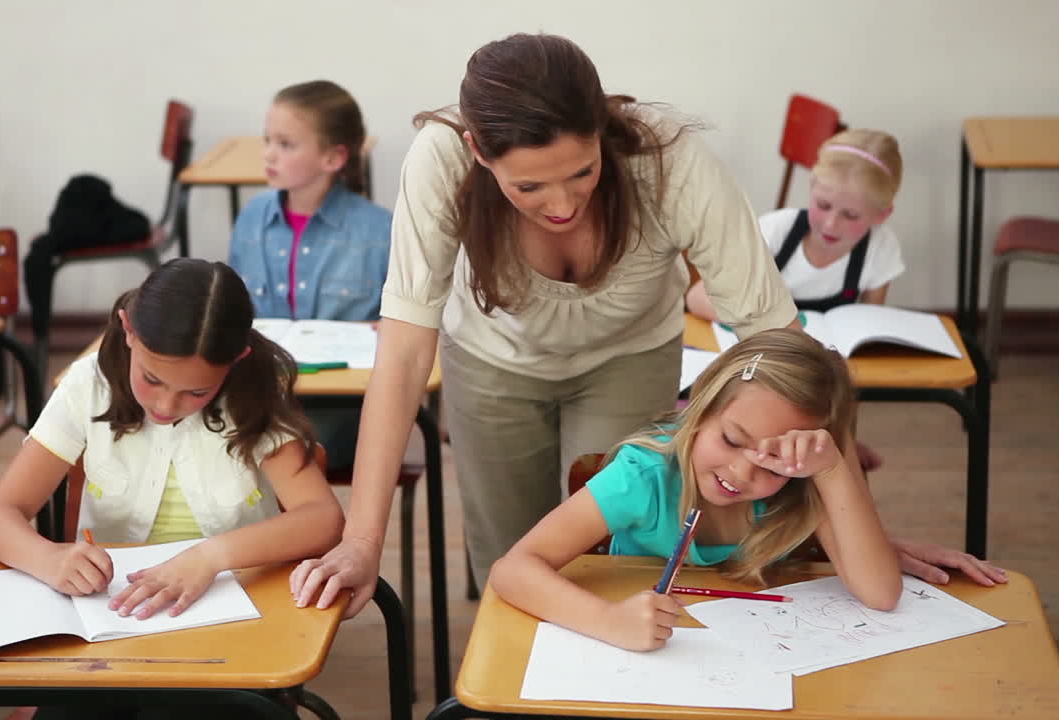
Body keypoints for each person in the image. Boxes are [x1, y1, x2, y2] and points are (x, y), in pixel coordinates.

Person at [291, 33, 806, 616]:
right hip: (492, 362)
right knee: (508, 559)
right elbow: (405, 353)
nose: (561, 205)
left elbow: (779, 344)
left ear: (602, 133)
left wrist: (852, 516)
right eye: (529, 186)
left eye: (582, 172)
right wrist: (361, 543)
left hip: (628, 357)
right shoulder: (440, 160)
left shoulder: (671, 162)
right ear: (478, 152)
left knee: (612, 554)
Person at [0, 259, 344, 720]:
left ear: (236, 361)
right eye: (151, 379)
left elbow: (322, 517)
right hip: (111, 630)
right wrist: (48, 557)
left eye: (197, 392)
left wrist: (210, 557)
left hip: (234, 633)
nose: (167, 405)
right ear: (127, 330)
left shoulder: (253, 397)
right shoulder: (87, 386)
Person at [489, 330, 1007, 651]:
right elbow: (513, 569)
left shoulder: (803, 485)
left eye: (773, 462)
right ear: (698, 409)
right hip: (648, 658)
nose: (742, 472)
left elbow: (880, 593)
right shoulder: (644, 475)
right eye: (731, 439)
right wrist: (607, 620)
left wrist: (831, 471)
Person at [687, 128, 905, 471]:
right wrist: (769, 326)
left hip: (824, 380)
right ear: (812, 189)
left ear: (881, 215)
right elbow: (697, 297)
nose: (832, 223)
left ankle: (838, 448)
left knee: (837, 386)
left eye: (851, 215)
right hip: (757, 364)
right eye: (823, 206)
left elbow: (869, 323)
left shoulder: (880, 248)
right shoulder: (776, 232)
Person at [230, 80, 392, 470]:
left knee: (291, 450)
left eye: (286, 145)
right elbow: (234, 309)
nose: (268, 154)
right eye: (267, 140)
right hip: (262, 391)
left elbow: (398, 328)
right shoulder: (252, 216)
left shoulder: (380, 231)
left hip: (344, 401)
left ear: (333, 158)